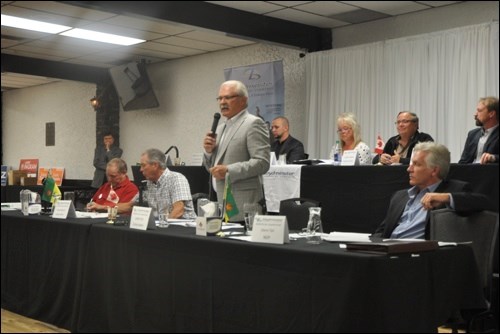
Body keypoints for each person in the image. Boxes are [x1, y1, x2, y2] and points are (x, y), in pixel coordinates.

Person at [372, 142, 489, 240]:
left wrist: (447, 197)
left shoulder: (454, 189)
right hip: (387, 253)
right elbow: (382, 231)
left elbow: (484, 203)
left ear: (434, 170)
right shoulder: (400, 196)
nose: (409, 169)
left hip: (421, 257)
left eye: (416, 164)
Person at [202, 80, 270, 222]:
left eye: (228, 97)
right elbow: (212, 168)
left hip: (243, 205)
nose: (222, 102)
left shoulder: (253, 123)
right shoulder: (220, 128)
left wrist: (228, 170)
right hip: (220, 203)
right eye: (220, 98)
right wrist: (209, 152)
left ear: (243, 100)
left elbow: (262, 163)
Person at [134, 148, 196, 219]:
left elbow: (178, 211)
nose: (140, 169)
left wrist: (163, 225)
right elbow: (130, 205)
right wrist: (117, 208)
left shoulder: (176, 178)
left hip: (184, 227)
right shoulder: (149, 183)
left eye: (143, 165)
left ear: (155, 165)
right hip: (161, 226)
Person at [458, 96, 499, 164]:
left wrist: (493, 157)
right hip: (471, 172)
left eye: (479, 111)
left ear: (491, 114)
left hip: (490, 173)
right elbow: (463, 161)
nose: (475, 114)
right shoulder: (472, 134)